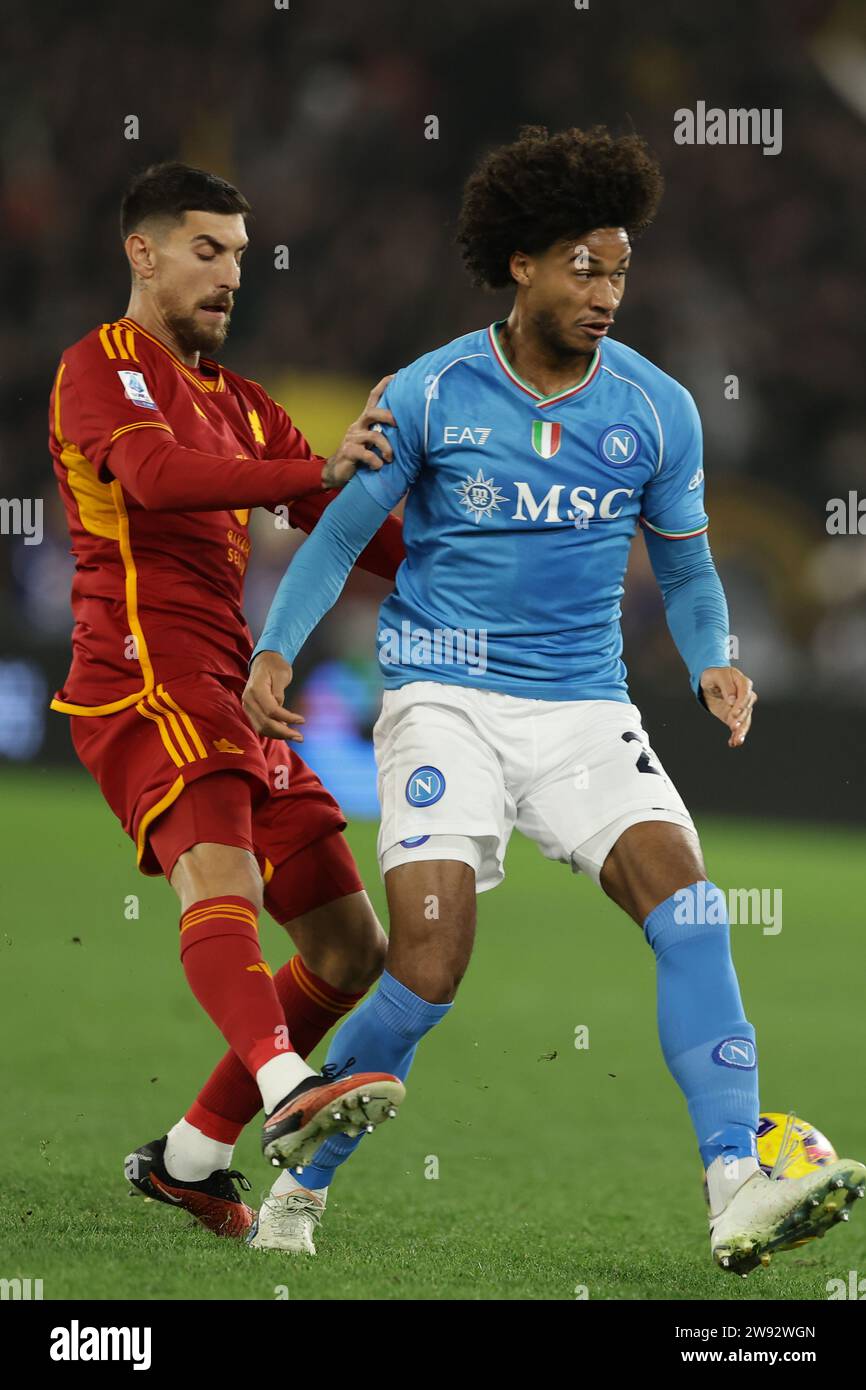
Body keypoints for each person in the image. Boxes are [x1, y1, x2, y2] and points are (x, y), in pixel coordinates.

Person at [243, 126, 865, 1270]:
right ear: (519, 262)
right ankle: (304, 1171)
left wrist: (712, 655)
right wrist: (276, 649)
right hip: (441, 697)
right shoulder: (428, 393)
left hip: (583, 708)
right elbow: (334, 539)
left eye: (619, 269)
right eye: (583, 264)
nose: (606, 291)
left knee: (690, 911)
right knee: (426, 967)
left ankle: (732, 1178)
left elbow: (680, 564)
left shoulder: (657, 409)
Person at [48, 161, 405, 1245]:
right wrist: (299, 476)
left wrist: (489, 548)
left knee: (349, 949)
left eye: (241, 256)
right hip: (141, 671)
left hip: (241, 684)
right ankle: (285, 1081)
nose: (230, 275)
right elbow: (153, 479)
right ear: (141, 252)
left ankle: (191, 1156)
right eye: (207, 249)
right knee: (224, 877)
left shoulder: (242, 401)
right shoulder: (98, 369)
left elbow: (348, 527)